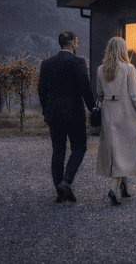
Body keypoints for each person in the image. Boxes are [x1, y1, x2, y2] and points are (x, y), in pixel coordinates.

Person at [38, 31, 96, 203]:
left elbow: (42, 91)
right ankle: (66, 181)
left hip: (54, 113)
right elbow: (85, 89)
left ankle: (60, 191)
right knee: (79, 147)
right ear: (72, 43)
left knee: (58, 151)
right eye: (77, 42)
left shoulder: (47, 63)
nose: (77, 46)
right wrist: (93, 108)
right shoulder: (78, 62)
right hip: (74, 113)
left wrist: (46, 110)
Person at [95, 37, 136, 206]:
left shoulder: (100, 69)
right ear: (122, 50)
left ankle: (124, 187)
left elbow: (99, 91)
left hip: (108, 113)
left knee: (115, 149)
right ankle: (113, 189)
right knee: (125, 149)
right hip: (126, 113)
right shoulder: (129, 68)